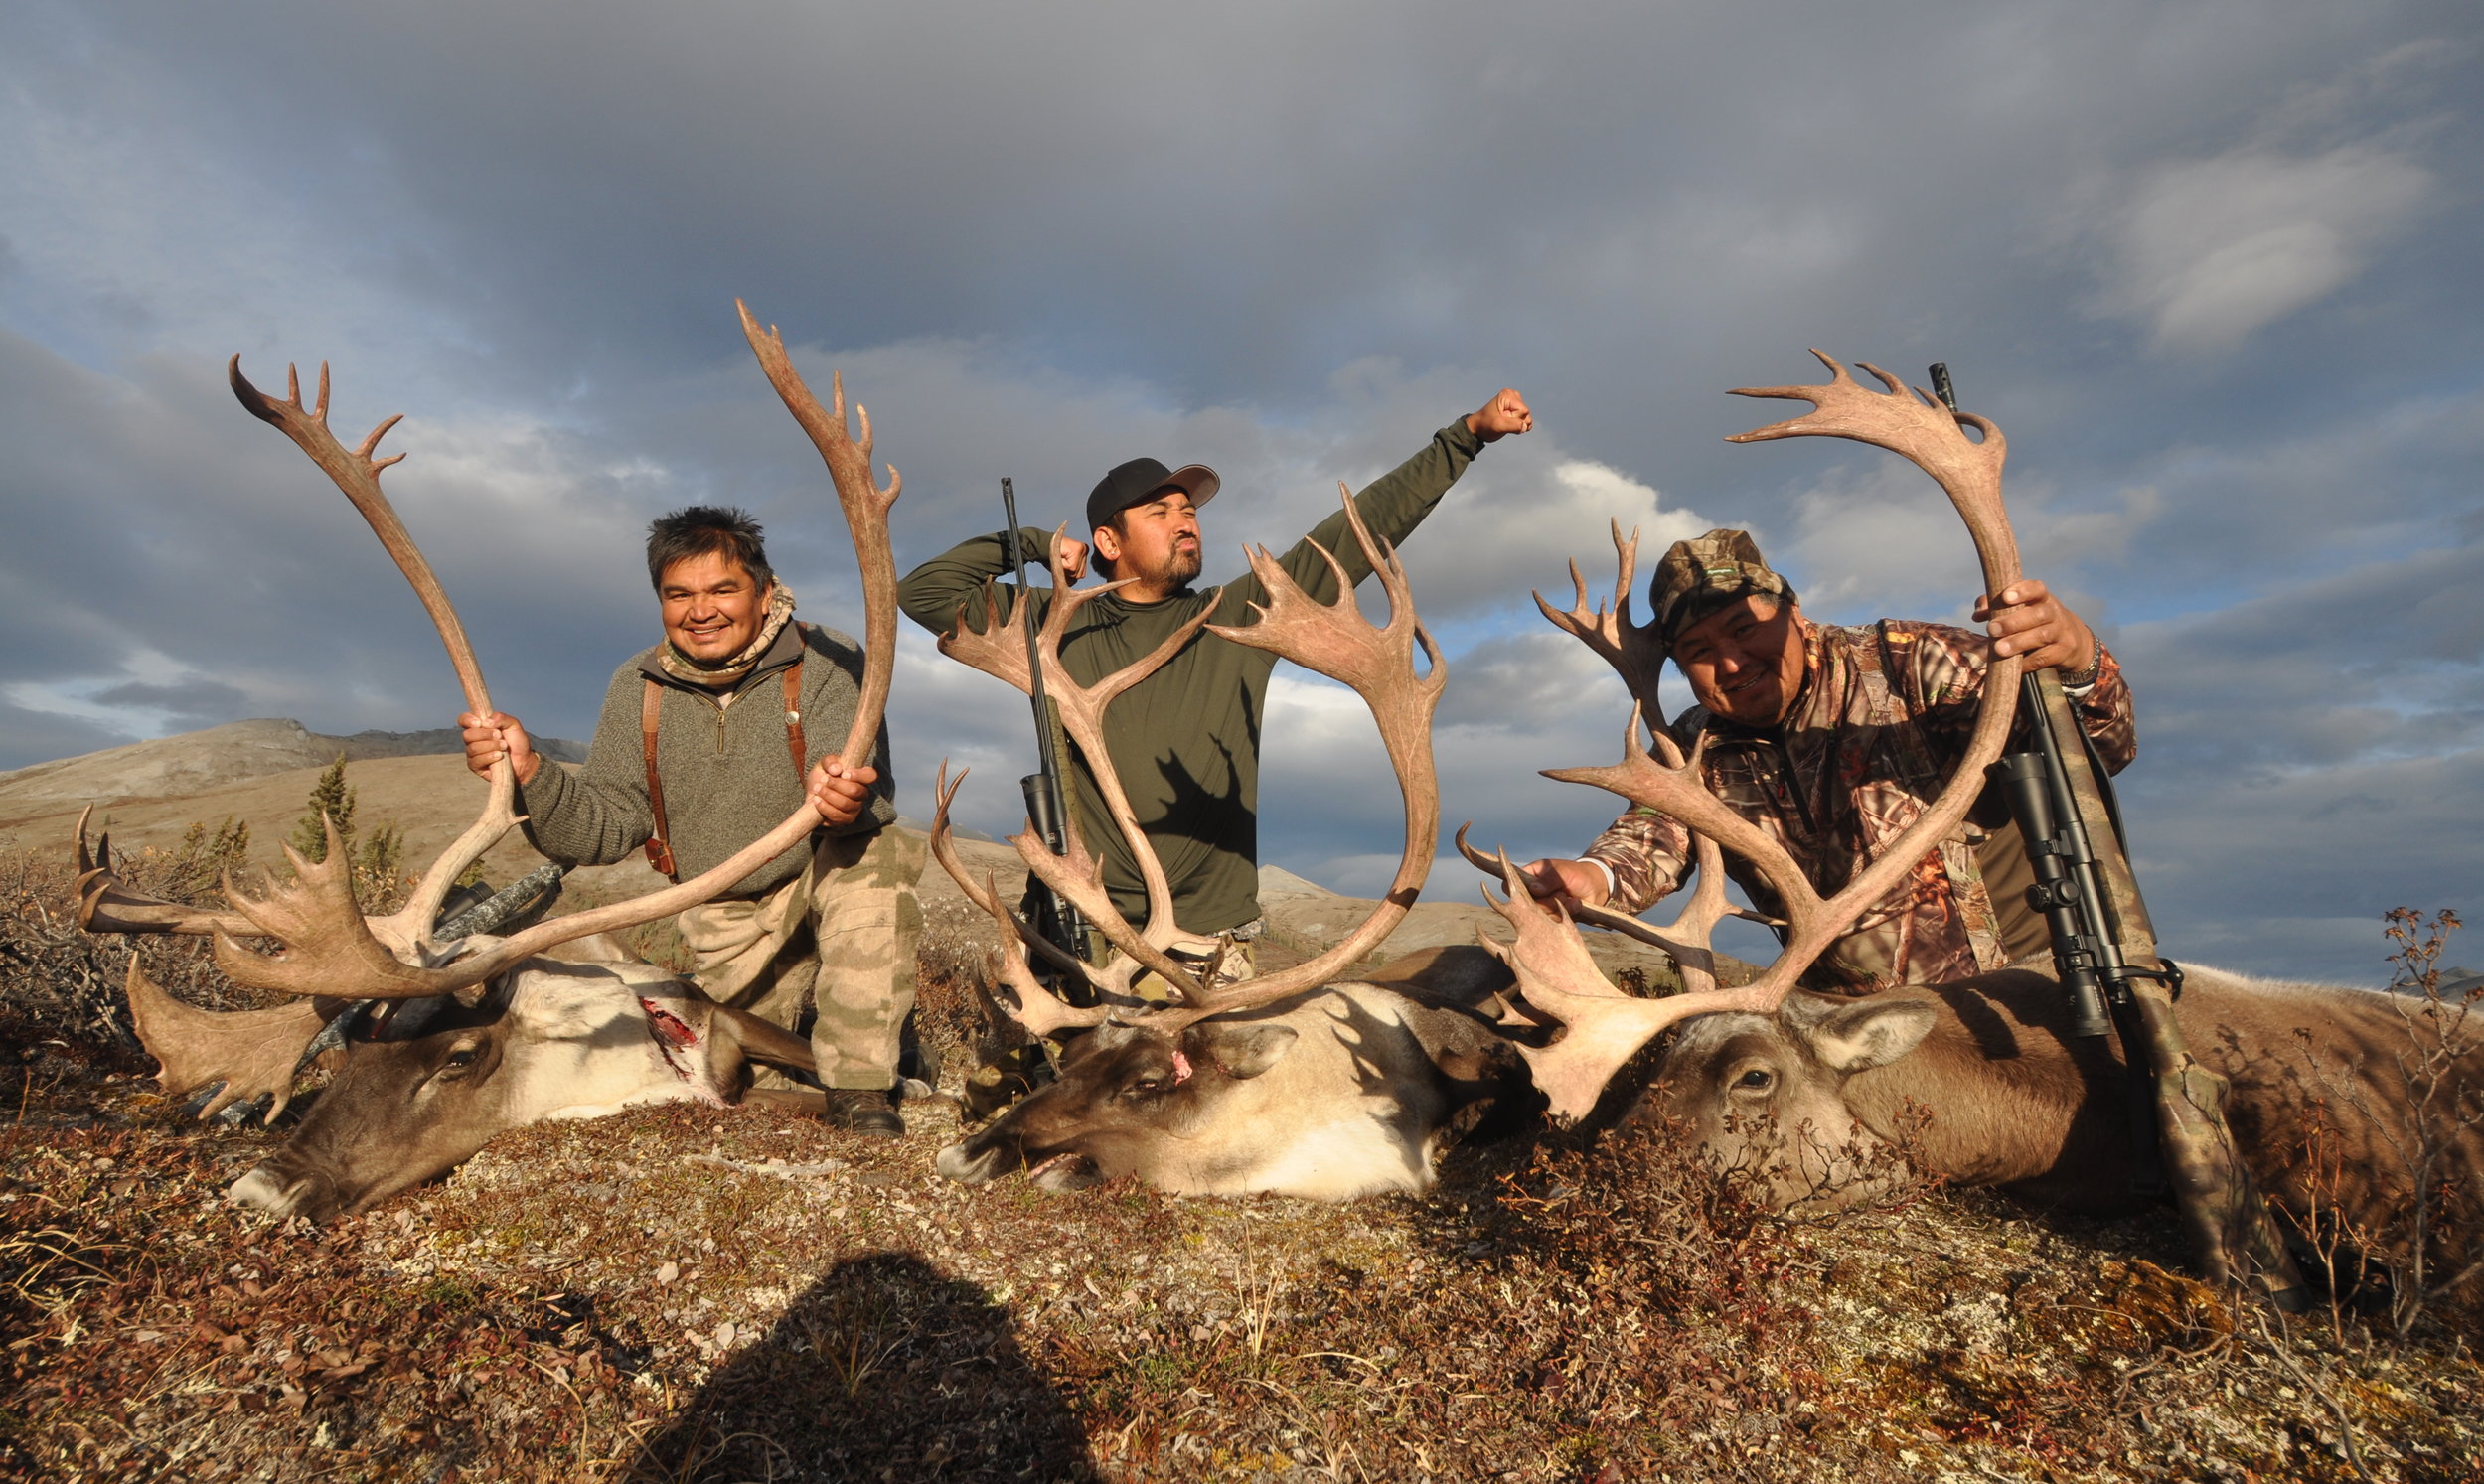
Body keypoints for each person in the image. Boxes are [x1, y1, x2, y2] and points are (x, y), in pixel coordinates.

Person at [900, 389, 1536, 984]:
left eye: (1189, 511)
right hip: (1085, 933)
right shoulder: (1052, 624)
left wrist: (1467, 436)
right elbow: (921, 593)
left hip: (1209, 952)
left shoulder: (1235, 616)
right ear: (1107, 541)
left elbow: (1359, 529)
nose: (1185, 523)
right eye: (1159, 512)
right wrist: (1033, 545)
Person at [458, 505, 923, 1135]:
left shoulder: (828, 659)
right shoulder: (638, 685)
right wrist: (531, 772)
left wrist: (842, 797)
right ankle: (881, 1058)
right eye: (679, 595)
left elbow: (856, 784)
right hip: (722, 914)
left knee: (876, 862)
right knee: (740, 1079)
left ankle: (862, 1090)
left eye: (722, 590)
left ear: (764, 592)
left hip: (819, 873)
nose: (700, 611)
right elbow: (602, 829)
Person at [1518, 527, 2132, 994]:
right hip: (1850, 1039)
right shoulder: (1695, 747)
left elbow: (2097, 747)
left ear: (1793, 611)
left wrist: (2079, 663)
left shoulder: (1907, 661)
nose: (1730, 662)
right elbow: (1651, 837)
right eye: (1699, 649)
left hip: (2020, 997)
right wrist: (1588, 879)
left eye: (1744, 628)